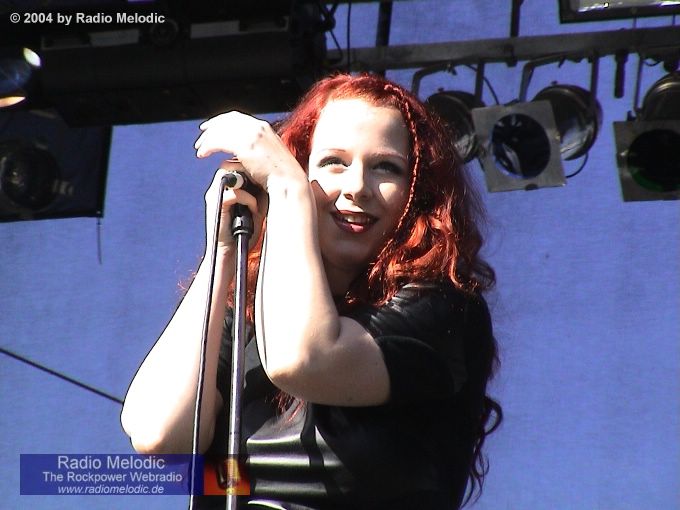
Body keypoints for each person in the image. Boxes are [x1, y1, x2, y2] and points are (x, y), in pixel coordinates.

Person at [121, 73, 502, 509]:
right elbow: (159, 434)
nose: (356, 187)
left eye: (386, 167)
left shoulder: (442, 308)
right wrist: (222, 253)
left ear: (417, 193)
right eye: (334, 162)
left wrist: (287, 187)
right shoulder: (247, 310)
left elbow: (302, 360)